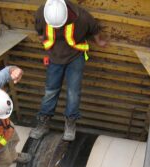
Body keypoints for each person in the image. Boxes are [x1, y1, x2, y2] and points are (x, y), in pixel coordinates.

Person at [30, 0, 107, 142]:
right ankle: (43, 123)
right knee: (51, 91)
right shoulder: (43, 13)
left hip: (75, 57)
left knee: (73, 92)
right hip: (54, 56)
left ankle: (70, 123)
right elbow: (40, 34)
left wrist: (100, 41)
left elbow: (95, 29)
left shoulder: (83, 17)